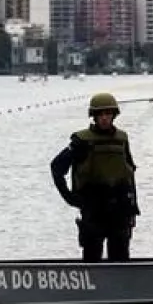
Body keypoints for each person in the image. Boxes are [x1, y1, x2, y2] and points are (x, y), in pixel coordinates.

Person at [51, 92, 140, 262]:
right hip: (93, 208)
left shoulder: (122, 138)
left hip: (120, 208)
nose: (105, 118)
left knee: (120, 259)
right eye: (101, 114)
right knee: (92, 259)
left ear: (114, 115)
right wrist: (69, 197)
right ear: (94, 116)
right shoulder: (81, 141)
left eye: (108, 114)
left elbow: (129, 173)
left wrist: (133, 206)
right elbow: (56, 167)